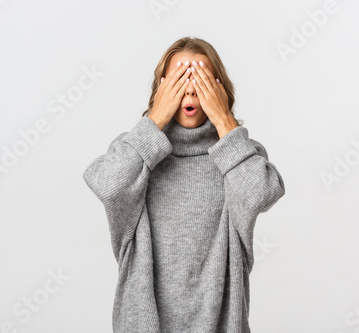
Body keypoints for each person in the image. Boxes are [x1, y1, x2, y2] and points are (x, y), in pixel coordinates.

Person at [83, 36, 285, 333]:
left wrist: (224, 119)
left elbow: (262, 193)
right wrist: (155, 119)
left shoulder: (238, 154)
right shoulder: (135, 153)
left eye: (200, 78)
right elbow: (110, 186)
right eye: (180, 78)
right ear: (162, 89)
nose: (190, 88)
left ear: (218, 88)